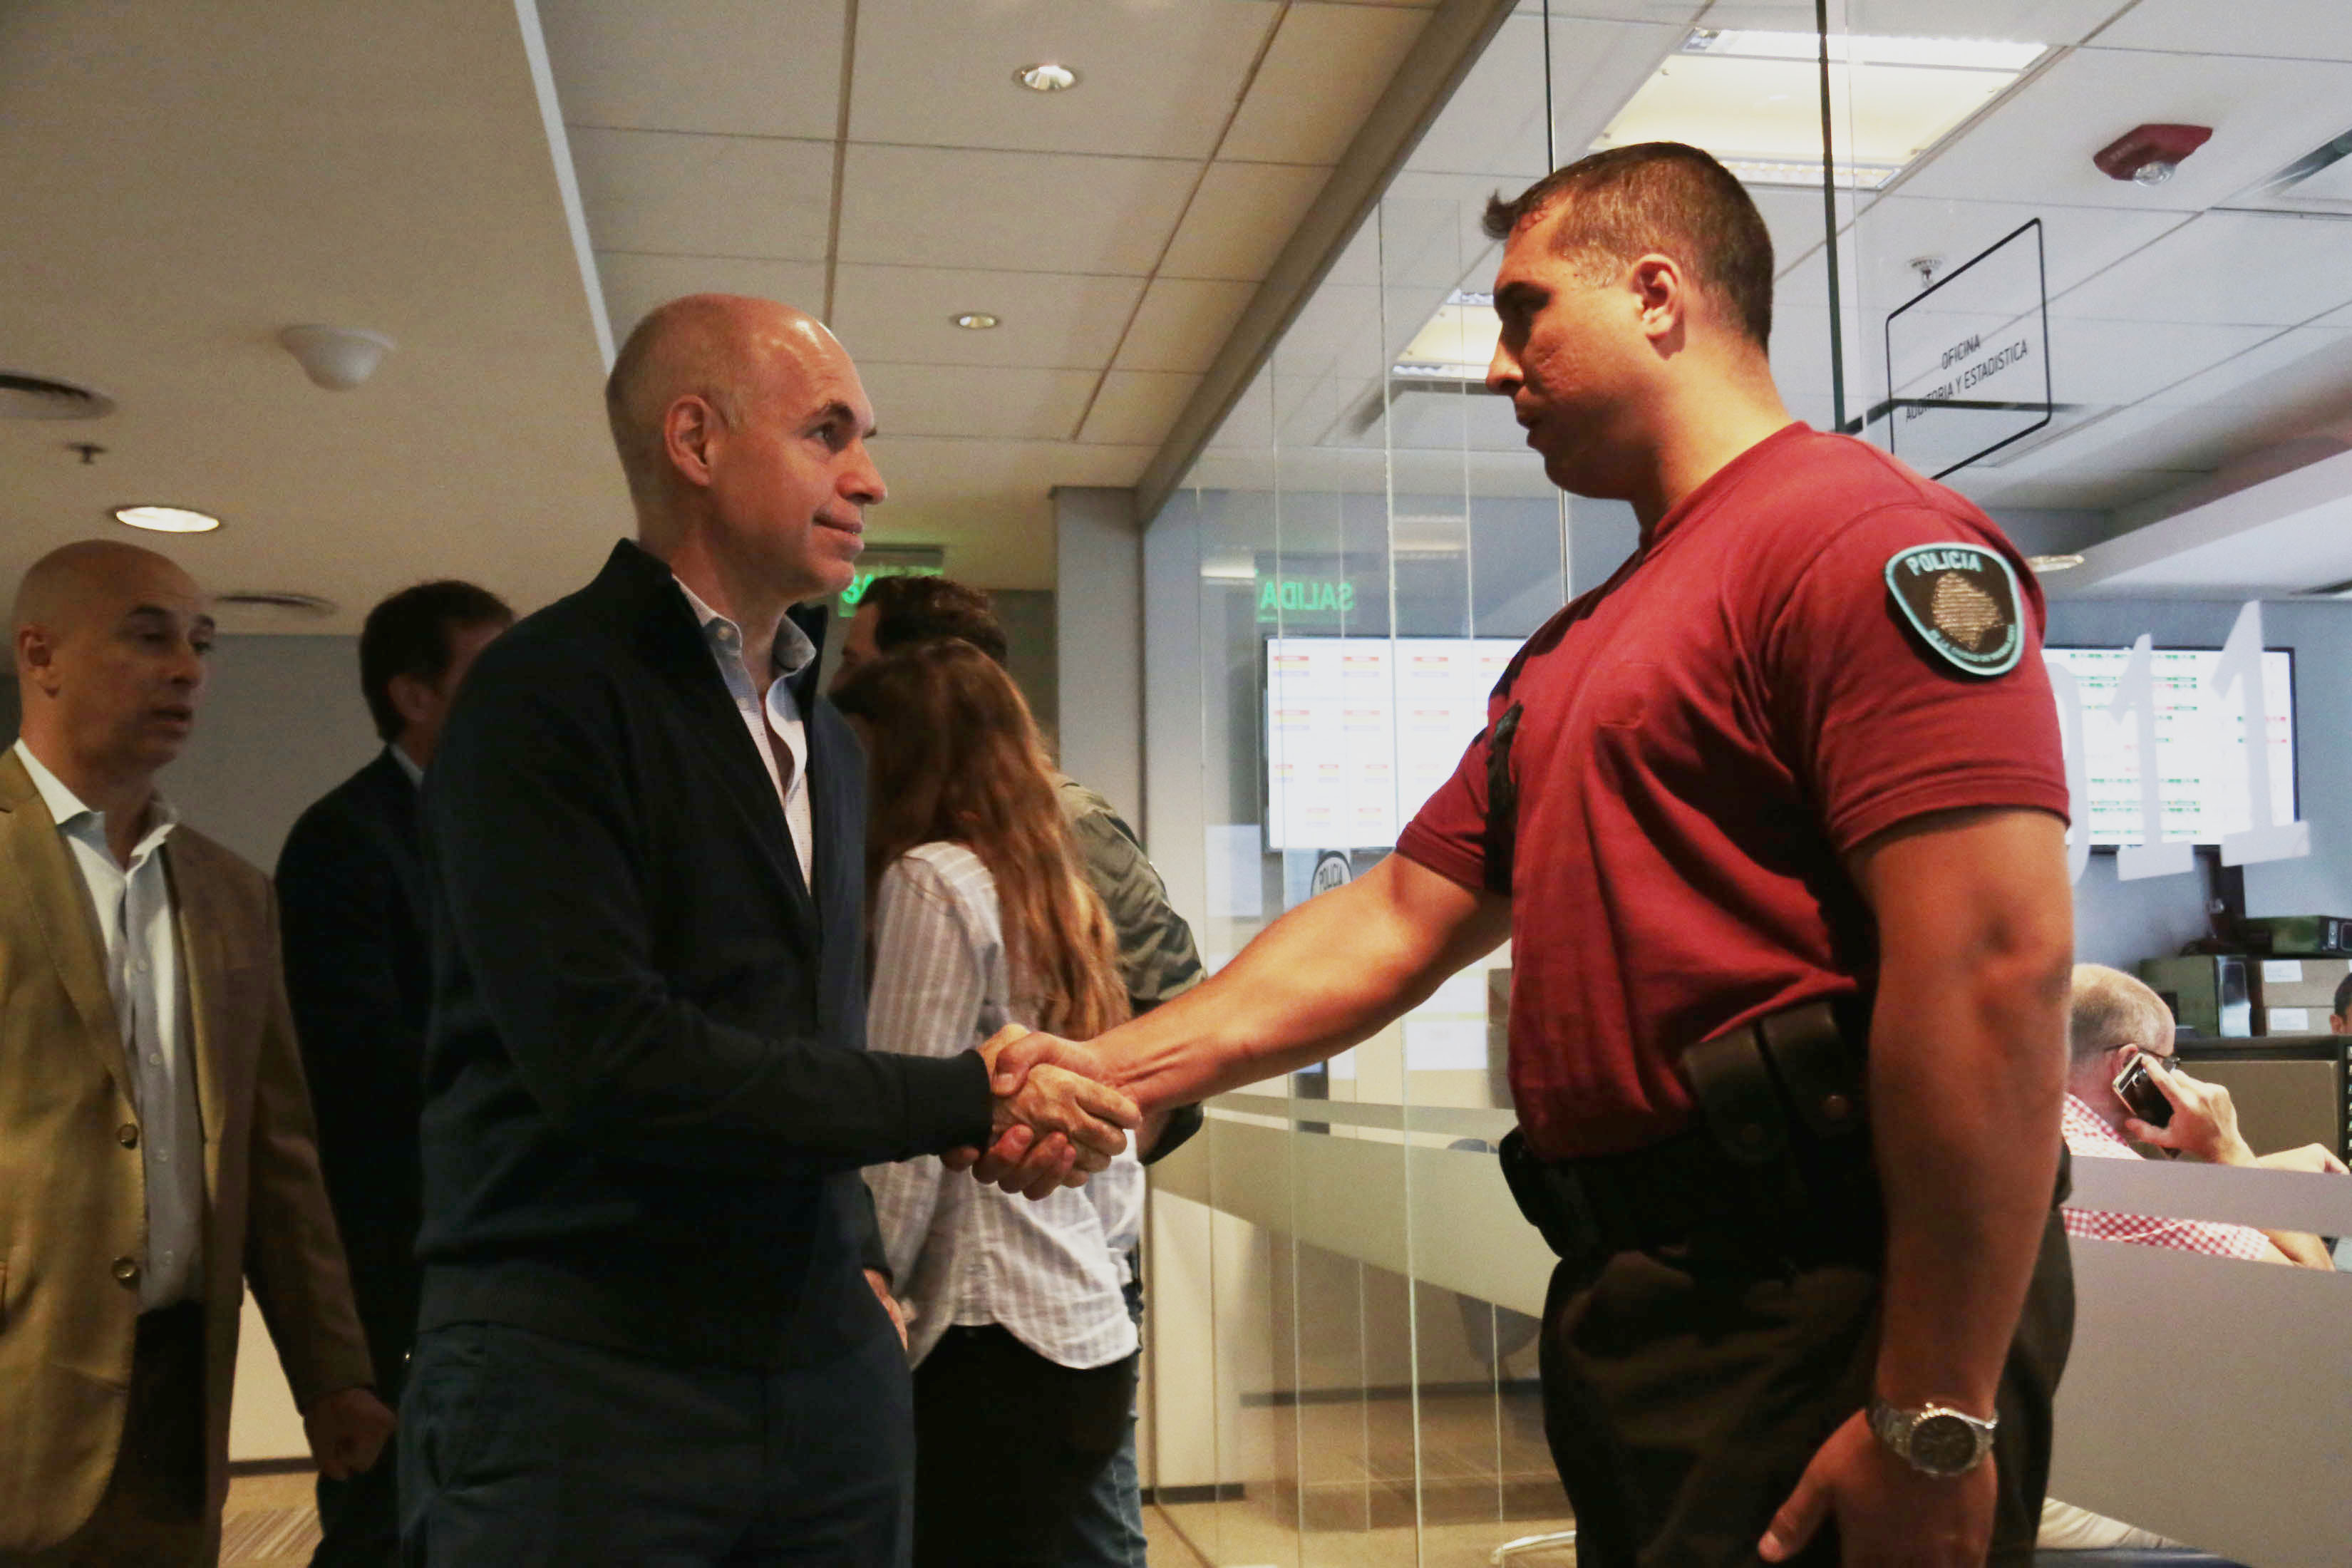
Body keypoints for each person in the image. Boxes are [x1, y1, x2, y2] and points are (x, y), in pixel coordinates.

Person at [976, 143, 2080, 1567]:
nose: (1501, 369)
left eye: (1524, 311)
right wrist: (1109, 1072)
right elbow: (1396, 914)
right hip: (1651, 1297)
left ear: (1661, 296)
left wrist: (1932, 1409)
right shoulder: (1582, 647)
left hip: (1824, 1293)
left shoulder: (1861, 539)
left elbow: (1996, 968)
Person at [398, 294, 1138, 1567]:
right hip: (589, 1371)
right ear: (695, 439)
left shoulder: (824, 738)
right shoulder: (545, 696)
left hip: (818, 1371)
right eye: (828, 432)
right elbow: (609, 1057)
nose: (870, 475)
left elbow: (806, 1034)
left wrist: (852, 1257)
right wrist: (963, 1095)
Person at [1, 540, 393, 1565]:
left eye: (202, 644)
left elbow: (277, 1157)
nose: (187, 669)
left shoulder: (229, 894)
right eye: (149, 637)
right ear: (38, 655)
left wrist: (332, 1374)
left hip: (178, 1403)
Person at [834, 572, 1205, 1568]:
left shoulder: (929, 881)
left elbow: (904, 1133)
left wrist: (869, 1287)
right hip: (1082, 1323)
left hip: (974, 1330)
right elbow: (1114, 1120)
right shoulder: (1056, 882)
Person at [274, 579, 512, 1567]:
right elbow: (359, 1068)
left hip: (490, 1249)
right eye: (488, 672)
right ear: (415, 697)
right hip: (394, 1259)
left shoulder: (508, 834)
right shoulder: (343, 842)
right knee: (384, 1527)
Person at [2061, 965, 2343, 1268]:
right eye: (2166, 1062)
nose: (2173, 1074)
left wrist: (2254, 1173)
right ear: (2132, 1064)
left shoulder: (2036, 1143)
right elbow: (2316, 1289)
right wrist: (2232, 1152)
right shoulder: (2123, 1184)